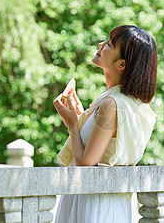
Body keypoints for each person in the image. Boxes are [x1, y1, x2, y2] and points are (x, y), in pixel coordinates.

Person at [53, 25, 158, 222]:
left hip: (93, 204)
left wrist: (73, 125)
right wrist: (80, 116)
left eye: (109, 44)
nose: (101, 45)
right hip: (112, 202)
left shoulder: (112, 103)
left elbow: (85, 164)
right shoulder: (132, 103)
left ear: (121, 64)